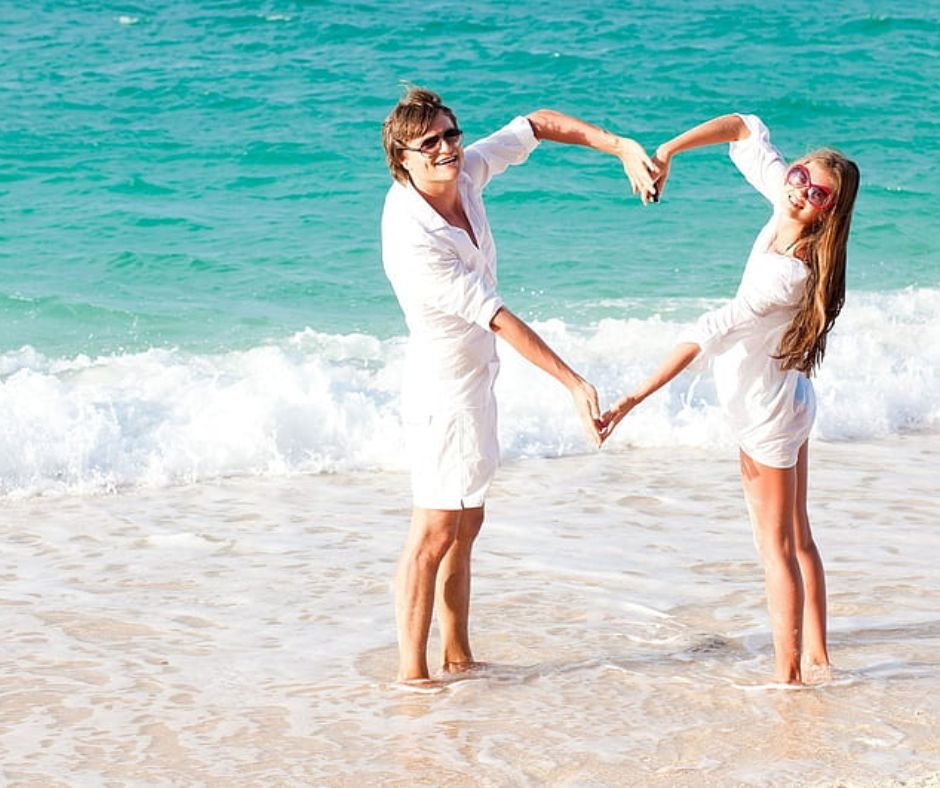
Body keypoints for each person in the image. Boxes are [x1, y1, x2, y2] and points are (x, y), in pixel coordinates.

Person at [381, 87, 657, 686]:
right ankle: (412, 678)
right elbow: (497, 315)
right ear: (401, 158)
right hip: (440, 396)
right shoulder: (414, 234)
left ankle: (458, 655)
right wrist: (573, 382)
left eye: (451, 134)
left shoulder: (465, 173)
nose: (446, 149)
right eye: (428, 143)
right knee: (432, 531)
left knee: (466, 523)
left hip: (476, 382)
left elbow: (533, 125)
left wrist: (620, 147)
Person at [599, 113, 859, 685]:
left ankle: (789, 676)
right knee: (799, 536)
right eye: (798, 176)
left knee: (776, 550)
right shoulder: (786, 208)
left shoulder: (790, 274)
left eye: (816, 193)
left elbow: (706, 332)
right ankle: (817, 656)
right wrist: (667, 149)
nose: (798, 190)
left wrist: (632, 398)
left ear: (829, 211)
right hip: (788, 396)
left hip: (766, 414)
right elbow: (745, 128)